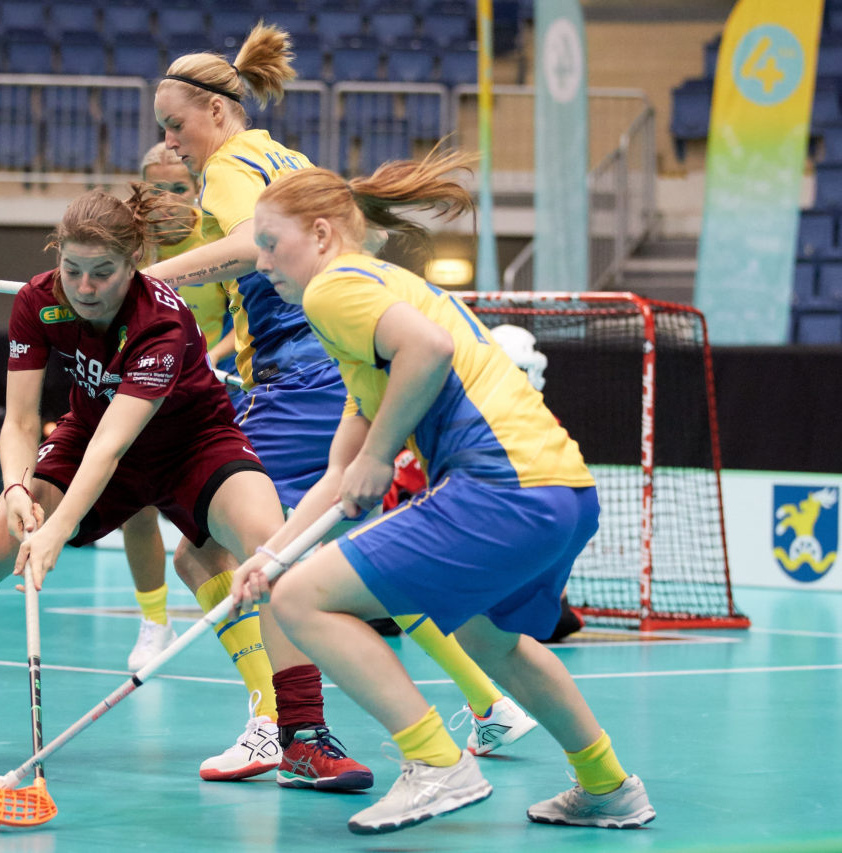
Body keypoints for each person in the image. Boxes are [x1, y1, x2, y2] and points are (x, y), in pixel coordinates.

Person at [0, 189, 369, 792]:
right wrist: (16, 488)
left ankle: (303, 737)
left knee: (267, 544)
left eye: (103, 273)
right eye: (73, 270)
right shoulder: (39, 302)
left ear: (135, 261)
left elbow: (113, 449)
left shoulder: (161, 321)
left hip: (193, 443)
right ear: (56, 257)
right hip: (86, 433)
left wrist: (56, 534)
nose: (85, 287)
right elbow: (17, 423)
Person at [136, 22, 534, 781]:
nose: (170, 140)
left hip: (302, 378)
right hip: (330, 372)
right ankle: (490, 702)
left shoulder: (232, 164)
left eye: (174, 124)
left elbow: (257, 242)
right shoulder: (286, 158)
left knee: (219, 552)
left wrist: (153, 279)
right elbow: (235, 301)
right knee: (332, 558)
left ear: (216, 113)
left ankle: (275, 723)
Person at [230, 156, 656, 834]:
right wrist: (271, 552)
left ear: (318, 233)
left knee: (301, 600)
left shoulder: (333, 290)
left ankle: (436, 763)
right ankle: (607, 784)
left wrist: (378, 456)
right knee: (490, 639)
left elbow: (425, 351)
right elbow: (342, 479)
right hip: (563, 491)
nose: (258, 260)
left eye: (268, 241)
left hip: (501, 489)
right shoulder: (381, 293)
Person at [381, 324, 585, 645]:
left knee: (550, 619)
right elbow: (393, 492)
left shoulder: (543, 427)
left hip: (507, 545)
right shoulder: (451, 427)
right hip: (450, 548)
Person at [120, 142, 243, 672]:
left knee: (219, 523)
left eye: (180, 188)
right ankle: (154, 622)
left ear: (198, 188)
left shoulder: (217, 238)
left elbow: (246, 316)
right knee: (135, 507)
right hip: (147, 387)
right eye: (156, 187)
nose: (167, 199)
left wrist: (212, 358)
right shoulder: (128, 246)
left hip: (215, 389)